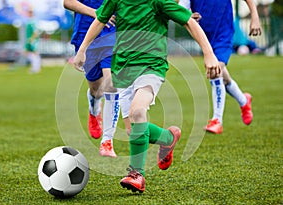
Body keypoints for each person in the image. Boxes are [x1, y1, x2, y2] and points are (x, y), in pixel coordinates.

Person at [73, 0, 221, 193]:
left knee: (137, 112)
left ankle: (136, 175)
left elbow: (189, 23)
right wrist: (83, 49)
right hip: (123, 69)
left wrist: (209, 53)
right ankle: (167, 138)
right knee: (132, 131)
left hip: (151, 66)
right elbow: (100, 20)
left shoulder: (158, 1)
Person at [63, 0, 131, 158]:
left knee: (112, 83)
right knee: (96, 88)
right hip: (86, 30)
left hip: (113, 29)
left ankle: (107, 141)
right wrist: (96, 13)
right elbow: (68, 2)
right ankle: (94, 108)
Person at [187, 0, 262, 134]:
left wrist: (255, 17)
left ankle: (217, 120)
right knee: (224, 77)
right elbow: (183, 8)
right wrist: (189, 15)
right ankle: (244, 101)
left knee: (215, 71)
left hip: (223, 34)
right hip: (204, 36)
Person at [24, 9, 41, 74]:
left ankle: (36, 68)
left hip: (33, 40)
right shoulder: (29, 21)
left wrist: (32, 39)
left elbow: (35, 32)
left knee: (35, 54)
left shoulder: (33, 22)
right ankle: (35, 67)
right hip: (30, 40)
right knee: (29, 53)